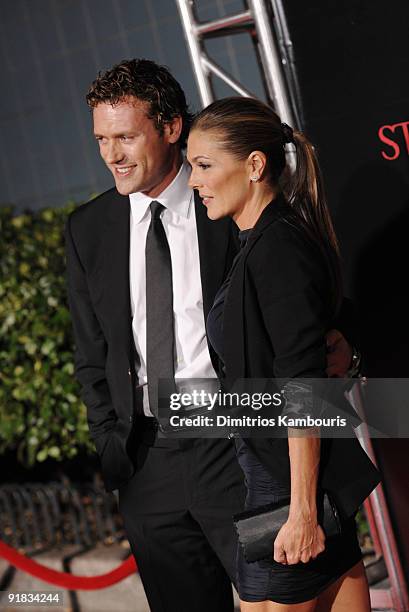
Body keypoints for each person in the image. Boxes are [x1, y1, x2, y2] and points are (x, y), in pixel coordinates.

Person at [65, 58, 360, 612]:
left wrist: (345, 343)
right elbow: (92, 353)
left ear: (171, 126)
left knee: (289, 597)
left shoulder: (229, 200)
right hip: (147, 461)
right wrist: (112, 445)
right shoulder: (89, 229)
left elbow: (306, 302)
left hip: (238, 447)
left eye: (125, 137)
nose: (111, 156)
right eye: (101, 139)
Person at [187, 97, 380, 611]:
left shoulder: (276, 246)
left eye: (204, 165)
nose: (193, 180)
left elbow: (302, 390)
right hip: (278, 482)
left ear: (254, 166)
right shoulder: (263, 240)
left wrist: (302, 513)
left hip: (286, 490)